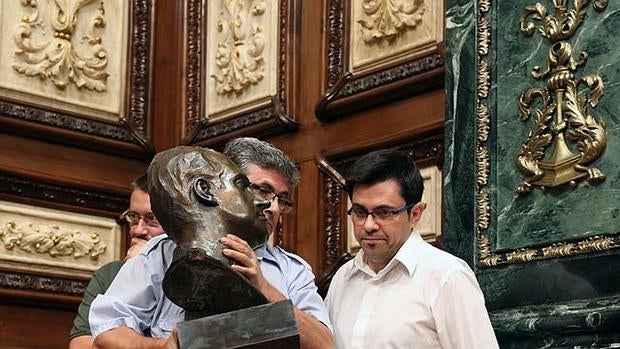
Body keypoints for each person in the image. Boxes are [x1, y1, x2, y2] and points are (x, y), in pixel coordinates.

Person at [89, 138, 334, 349]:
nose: (273, 207)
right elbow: (107, 329)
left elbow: (323, 343)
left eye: (282, 200)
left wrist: (263, 287)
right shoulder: (161, 253)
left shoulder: (292, 269)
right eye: (260, 190)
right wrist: (160, 346)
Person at [325, 149, 498, 348]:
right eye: (360, 212)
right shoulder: (343, 278)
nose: (368, 225)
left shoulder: (447, 277)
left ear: (415, 214)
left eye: (383, 212)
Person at [68, 174, 165, 349]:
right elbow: (80, 345)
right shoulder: (109, 273)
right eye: (134, 217)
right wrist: (136, 266)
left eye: (152, 219)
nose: (138, 230)